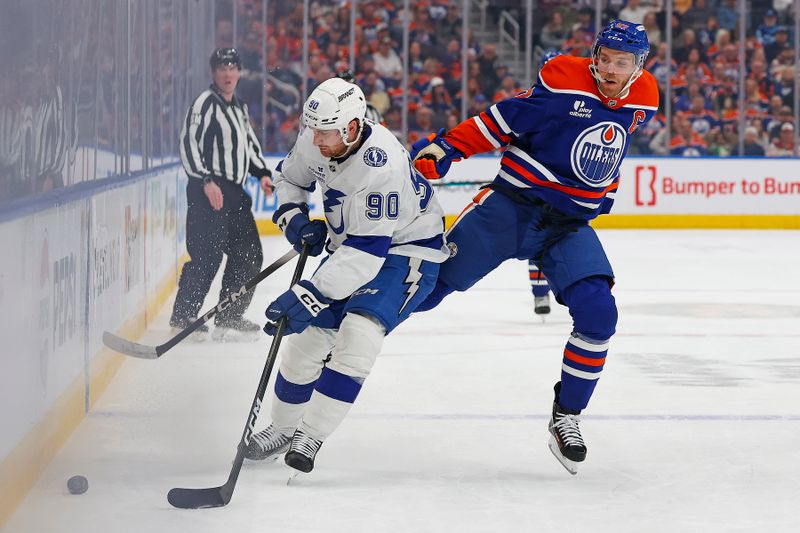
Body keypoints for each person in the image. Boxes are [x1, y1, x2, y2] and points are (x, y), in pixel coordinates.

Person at [409, 20, 658, 474]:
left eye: (622, 62)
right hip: (510, 210)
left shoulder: (646, 98)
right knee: (423, 289)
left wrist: (597, 189)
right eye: (604, 57)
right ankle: (337, 340)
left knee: (599, 313)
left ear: (638, 66)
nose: (610, 68)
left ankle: (566, 416)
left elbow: (609, 148)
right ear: (595, 54)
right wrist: (444, 149)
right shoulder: (563, 81)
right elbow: (500, 120)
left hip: (567, 225)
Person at [245, 77, 449, 473]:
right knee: (305, 343)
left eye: (327, 133)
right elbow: (289, 178)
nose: (318, 141)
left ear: (352, 127)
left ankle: (312, 433)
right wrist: (294, 219)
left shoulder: (381, 163)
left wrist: (309, 293)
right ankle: (285, 428)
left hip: (405, 251)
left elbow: (367, 254)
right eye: (314, 130)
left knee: (359, 331)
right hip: (353, 246)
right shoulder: (317, 137)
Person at [170, 48, 273, 342]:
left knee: (249, 254)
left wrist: (262, 173)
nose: (228, 74)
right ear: (214, 73)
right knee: (207, 255)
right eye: (222, 68)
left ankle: (229, 315)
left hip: (235, 193)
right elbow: (188, 142)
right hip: (208, 191)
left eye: (232, 68)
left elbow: (249, 146)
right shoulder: (204, 103)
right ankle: (183, 317)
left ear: (239, 72)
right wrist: (205, 180)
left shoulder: (239, 107)